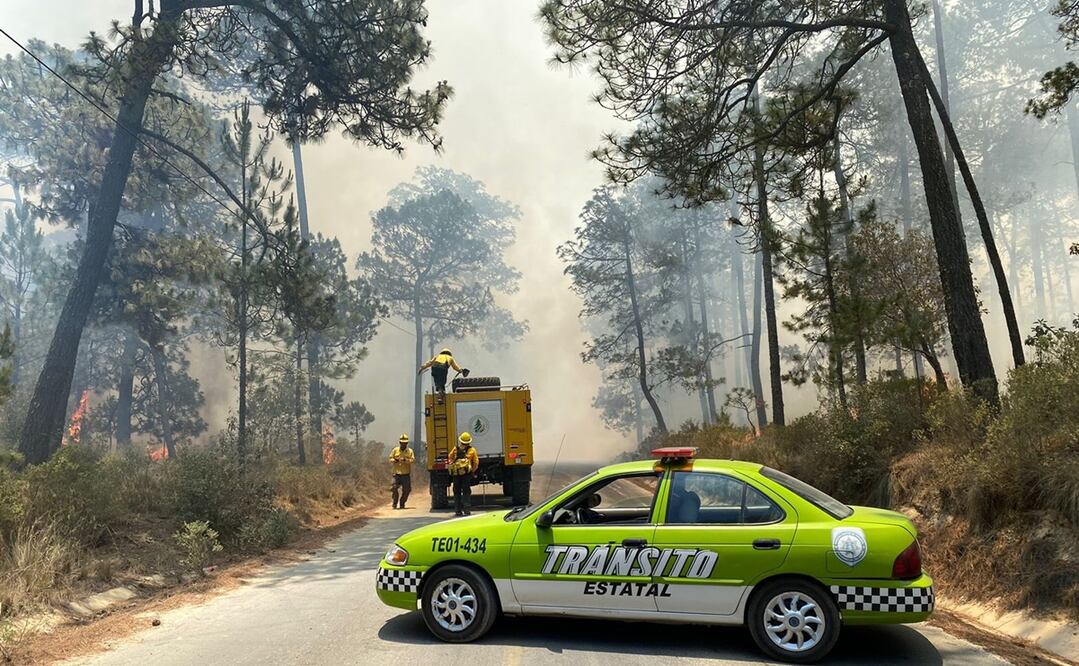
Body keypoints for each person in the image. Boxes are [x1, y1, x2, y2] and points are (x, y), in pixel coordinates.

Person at [447, 431, 479, 516]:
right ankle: (467, 510)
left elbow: (450, 457)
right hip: (466, 475)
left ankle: (458, 510)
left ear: (461, 441)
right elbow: (476, 462)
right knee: (466, 491)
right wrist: (472, 470)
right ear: (469, 441)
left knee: (456, 491)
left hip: (456, 474)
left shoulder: (455, 449)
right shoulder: (472, 450)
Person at [389, 434, 415, 509]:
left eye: (405, 443)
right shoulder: (395, 450)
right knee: (394, 487)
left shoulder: (410, 451)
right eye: (402, 443)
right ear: (400, 442)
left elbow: (412, 460)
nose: (403, 444)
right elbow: (390, 458)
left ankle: (402, 502)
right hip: (396, 474)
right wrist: (395, 460)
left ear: (407, 443)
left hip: (405, 474)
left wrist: (405, 460)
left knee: (407, 490)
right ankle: (395, 503)